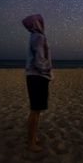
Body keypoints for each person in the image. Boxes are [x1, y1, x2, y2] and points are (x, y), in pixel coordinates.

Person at [22, 14, 53, 152]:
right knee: (35, 110)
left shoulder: (33, 36)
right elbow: (40, 60)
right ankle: (30, 142)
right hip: (38, 76)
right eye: (41, 21)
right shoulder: (39, 37)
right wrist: (48, 72)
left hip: (33, 76)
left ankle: (33, 138)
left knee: (36, 110)